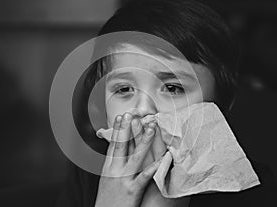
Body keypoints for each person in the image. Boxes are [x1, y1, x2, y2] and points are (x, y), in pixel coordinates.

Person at [56, 0, 276, 206]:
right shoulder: (89, 177)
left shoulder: (254, 190)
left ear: (222, 104)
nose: (143, 109)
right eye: (124, 89)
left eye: (172, 89)